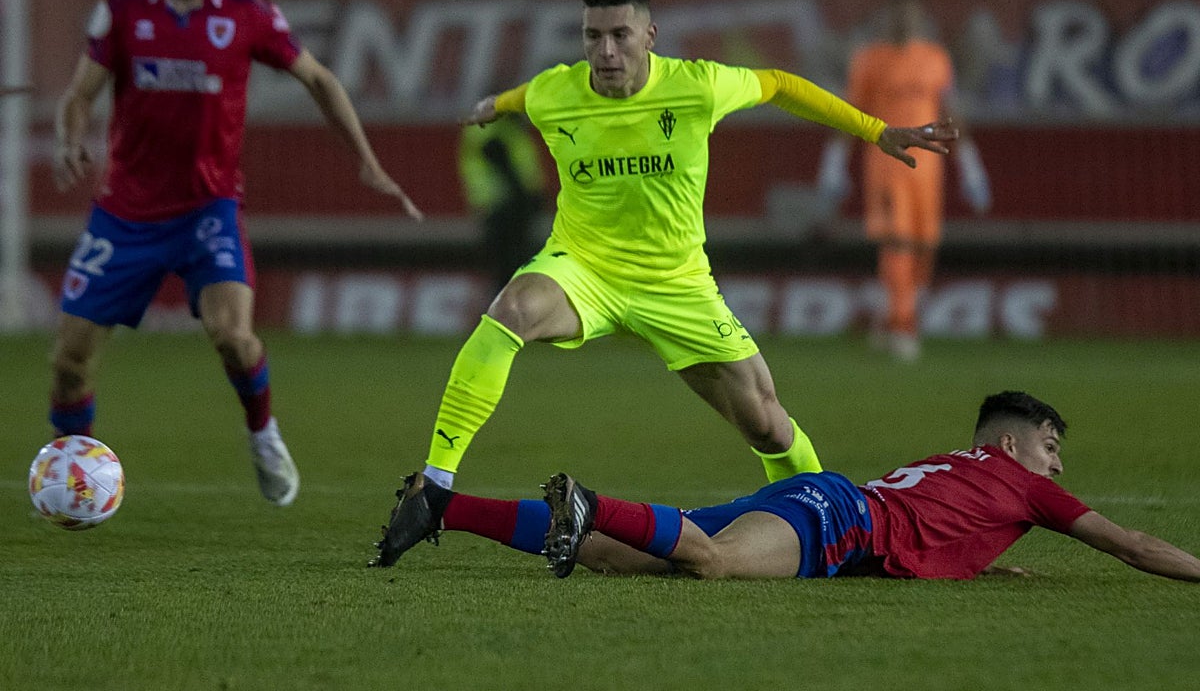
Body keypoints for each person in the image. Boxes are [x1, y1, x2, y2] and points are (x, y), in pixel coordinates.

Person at [372, 0, 956, 566]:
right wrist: (492, 105)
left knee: (769, 428)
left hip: (678, 286)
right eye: (592, 36)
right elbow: (526, 95)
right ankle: (435, 483)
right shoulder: (557, 92)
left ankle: (835, 526)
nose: (605, 51)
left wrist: (877, 130)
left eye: (620, 35)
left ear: (650, 35)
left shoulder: (698, 86)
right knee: (509, 311)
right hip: (583, 270)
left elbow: (779, 84)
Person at [49, 0, 422, 507]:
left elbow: (319, 78)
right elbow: (79, 94)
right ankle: (71, 480)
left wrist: (367, 162)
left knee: (233, 334)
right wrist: (69, 137)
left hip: (208, 208)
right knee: (68, 363)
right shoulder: (123, 6)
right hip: (125, 213)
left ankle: (263, 432)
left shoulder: (247, 12)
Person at [370, 391, 1200, 583]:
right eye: (1052, 448)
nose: (1059, 466)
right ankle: (586, 500)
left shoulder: (958, 466)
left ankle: (448, 503)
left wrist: (983, 567)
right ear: (1016, 444)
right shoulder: (1026, 487)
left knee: (620, 561)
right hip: (837, 518)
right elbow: (1129, 544)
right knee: (715, 563)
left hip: (826, 500)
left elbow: (935, 529)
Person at [817, 0, 990, 361]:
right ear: (887, 14)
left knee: (924, 247)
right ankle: (902, 324)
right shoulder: (869, 59)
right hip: (887, 164)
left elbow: (949, 111)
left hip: (929, 169)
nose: (903, 17)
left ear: (918, 14)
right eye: (897, 10)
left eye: (909, 10)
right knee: (897, 241)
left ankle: (892, 316)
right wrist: (834, 164)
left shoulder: (935, 59)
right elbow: (850, 113)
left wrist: (970, 165)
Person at [458, 114, 546, 296]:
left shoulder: (498, 129)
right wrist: (526, 196)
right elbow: (499, 157)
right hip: (505, 205)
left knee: (506, 263)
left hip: (499, 205)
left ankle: (506, 307)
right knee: (511, 262)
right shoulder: (497, 129)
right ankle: (510, 309)